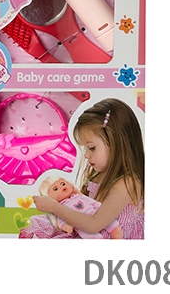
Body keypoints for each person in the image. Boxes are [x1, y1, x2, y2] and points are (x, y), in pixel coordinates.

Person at [29, 98, 144, 239]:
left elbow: (94, 224)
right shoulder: (97, 174)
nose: (86, 155)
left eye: (91, 148)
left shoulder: (127, 183)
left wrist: (54, 207)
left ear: (117, 143)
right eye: (85, 148)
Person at [38, 176, 122, 239]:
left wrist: (101, 208)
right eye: (55, 189)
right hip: (81, 225)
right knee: (89, 236)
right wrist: (66, 227)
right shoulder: (61, 207)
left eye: (63, 183)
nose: (61, 187)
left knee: (112, 224)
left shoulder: (79, 196)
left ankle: (117, 237)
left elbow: (93, 203)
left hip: (95, 214)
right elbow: (61, 221)